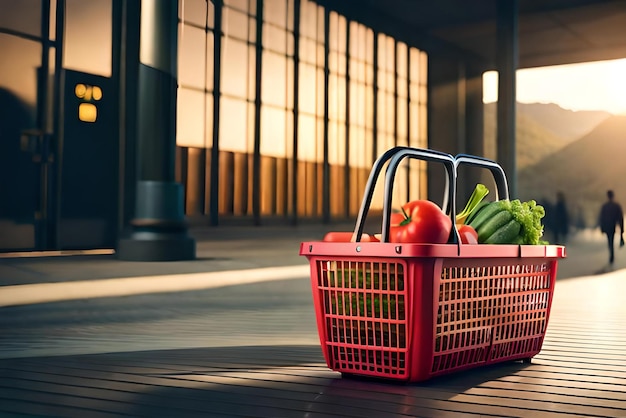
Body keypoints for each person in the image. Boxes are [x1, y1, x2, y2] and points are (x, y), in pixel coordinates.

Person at [599, 190, 624, 265]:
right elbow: (620, 218)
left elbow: (601, 218)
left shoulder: (605, 206)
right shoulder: (616, 206)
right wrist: (621, 229)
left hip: (607, 226)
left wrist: (602, 228)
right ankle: (611, 255)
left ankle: (611, 255)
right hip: (612, 226)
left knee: (609, 241)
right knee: (611, 240)